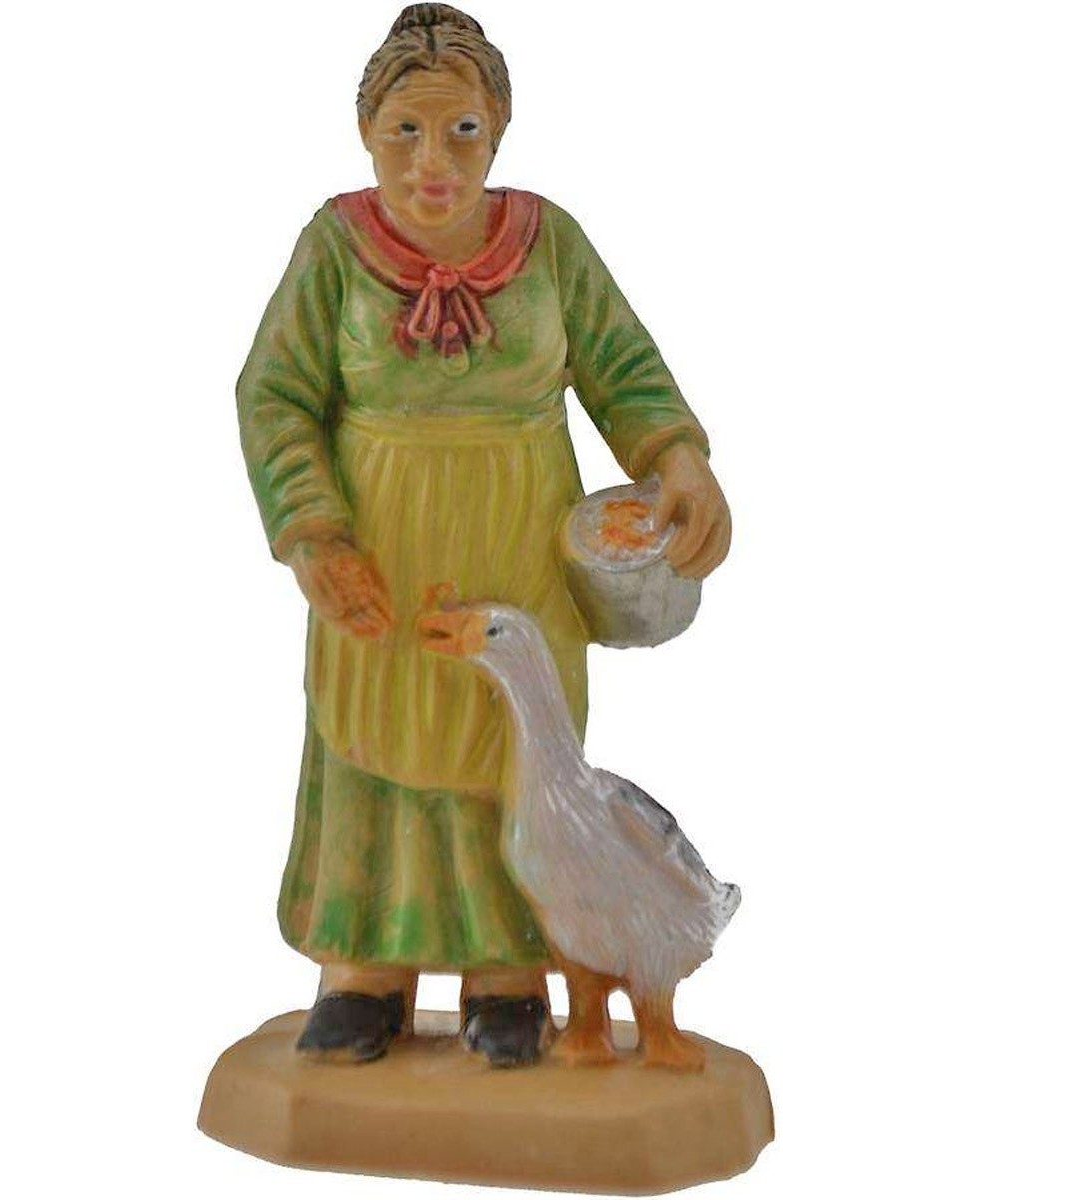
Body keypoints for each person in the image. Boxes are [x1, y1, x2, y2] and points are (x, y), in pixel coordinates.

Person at [236, 3, 731, 1067]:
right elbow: (273, 395)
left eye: (461, 130)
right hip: (381, 545)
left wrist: (678, 456)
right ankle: (365, 967)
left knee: (521, 745)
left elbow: (623, 366)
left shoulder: (550, 242)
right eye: (406, 132)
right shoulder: (334, 248)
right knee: (373, 733)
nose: (434, 161)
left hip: (516, 535)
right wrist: (314, 535)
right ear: (366, 134)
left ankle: (509, 970)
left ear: (499, 127)